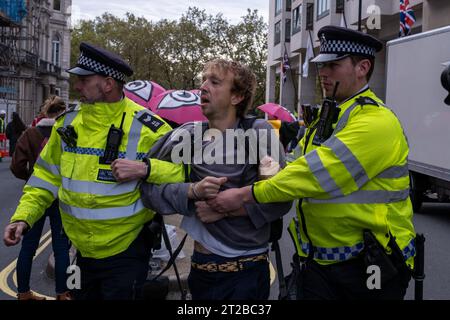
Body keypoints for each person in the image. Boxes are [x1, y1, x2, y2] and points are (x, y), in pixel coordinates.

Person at [207, 26, 416, 300]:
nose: (323, 73)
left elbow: (313, 174)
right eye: (321, 65)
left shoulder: (376, 122)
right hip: (319, 261)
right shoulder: (328, 117)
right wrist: (267, 166)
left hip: (370, 264)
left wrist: (245, 195)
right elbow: (293, 165)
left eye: (333, 65)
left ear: (362, 67)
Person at [3, 42, 185, 300]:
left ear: (108, 84)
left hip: (126, 253)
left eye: (84, 80)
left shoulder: (149, 127)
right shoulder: (67, 124)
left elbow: (185, 173)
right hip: (80, 254)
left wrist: (146, 168)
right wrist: (23, 218)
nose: (76, 86)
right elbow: (44, 179)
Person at [112, 59, 292, 300]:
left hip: (244, 276)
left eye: (215, 82)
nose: (203, 87)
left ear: (236, 96)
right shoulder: (189, 135)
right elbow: (148, 192)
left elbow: (280, 199)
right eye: (203, 80)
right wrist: (191, 192)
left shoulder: (259, 133)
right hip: (201, 274)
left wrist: (229, 209)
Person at [10, 96, 71, 300]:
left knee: (28, 247)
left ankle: (24, 293)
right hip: (61, 196)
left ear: (45, 112)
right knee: (61, 248)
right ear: (64, 112)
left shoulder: (30, 134)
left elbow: (16, 166)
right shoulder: (67, 134)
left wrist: (31, 178)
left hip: (37, 194)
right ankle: (63, 294)